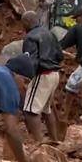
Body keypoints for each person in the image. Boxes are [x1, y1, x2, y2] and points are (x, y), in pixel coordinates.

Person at [20, 11, 62, 143]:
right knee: (46, 109)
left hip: (42, 74)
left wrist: (27, 75)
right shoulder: (50, 33)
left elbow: (30, 60)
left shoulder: (30, 37)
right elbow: (60, 56)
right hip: (54, 74)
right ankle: (54, 141)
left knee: (30, 111)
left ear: (26, 22)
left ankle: (40, 145)